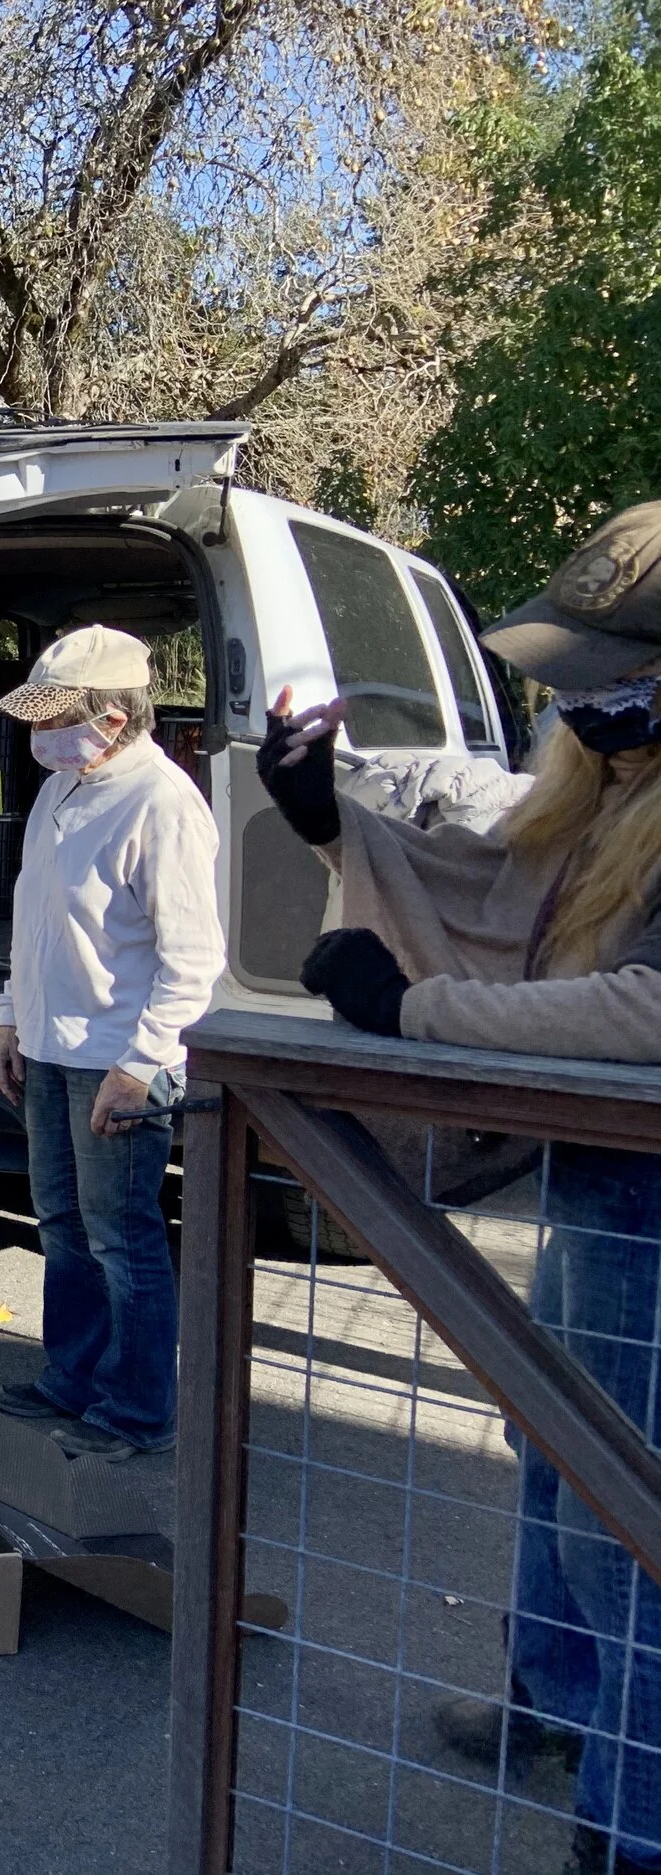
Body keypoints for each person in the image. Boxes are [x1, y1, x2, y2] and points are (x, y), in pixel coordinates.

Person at [264, 501, 661, 1875]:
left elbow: (645, 1006)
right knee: (560, 1457)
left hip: (653, 1202)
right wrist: (333, 802)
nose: (576, 694)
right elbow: (502, 858)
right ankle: (557, 1702)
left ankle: (633, 1821)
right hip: (607, 1177)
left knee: (634, 1520)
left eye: (607, 665)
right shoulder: (618, 783)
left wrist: (419, 1008)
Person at [0, 624, 223, 1461]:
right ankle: (74, 1376)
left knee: (123, 1235)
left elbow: (193, 958)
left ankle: (139, 1407)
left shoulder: (163, 804)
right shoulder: (63, 788)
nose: (38, 734)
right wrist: (13, 1016)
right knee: (62, 1223)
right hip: (52, 1048)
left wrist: (141, 1063)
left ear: (115, 718)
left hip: (115, 1060)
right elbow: (35, 918)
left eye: (56, 718)